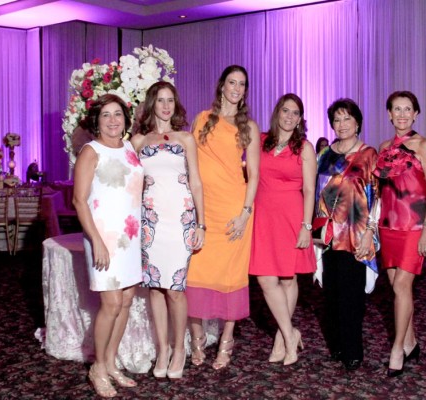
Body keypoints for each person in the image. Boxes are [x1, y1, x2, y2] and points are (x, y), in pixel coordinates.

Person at [186, 65, 260, 370]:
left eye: (242, 84)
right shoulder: (202, 119)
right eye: (232, 82)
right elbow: (189, 166)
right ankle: (197, 337)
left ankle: (227, 341)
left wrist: (245, 213)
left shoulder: (249, 127)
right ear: (222, 86)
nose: (236, 88)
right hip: (204, 210)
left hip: (233, 210)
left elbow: (253, 175)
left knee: (231, 277)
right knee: (195, 273)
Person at [131, 82, 205, 380]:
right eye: (160, 100)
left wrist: (201, 224)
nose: (165, 106)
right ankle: (162, 349)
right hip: (150, 221)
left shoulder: (186, 138)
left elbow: (196, 183)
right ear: (152, 104)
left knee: (174, 290)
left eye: (170, 100)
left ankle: (179, 348)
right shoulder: (138, 141)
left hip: (181, 220)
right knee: (155, 289)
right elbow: (133, 185)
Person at [73, 94, 143, 398]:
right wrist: (97, 241)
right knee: (111, 304)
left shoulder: (130, 147)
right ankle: (98, 367)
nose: (113, 121)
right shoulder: (91, 151)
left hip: (130, 235)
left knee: (126, 301)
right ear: (96, 121)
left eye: (118, 114)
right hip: (103, 237)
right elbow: (78, 200)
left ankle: (112, 362)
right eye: (106, 116)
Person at [373, 91, 426, 377]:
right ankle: (411, 341)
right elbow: (379, 190)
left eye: (407, 109)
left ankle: (397, 347)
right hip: (388, 226)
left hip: (414, 227)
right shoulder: (384, 147)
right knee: (398, 289)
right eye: (396, 109)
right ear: (389, 114)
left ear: (416, 114)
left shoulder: (424, 145)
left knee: (401, 286)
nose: (401, 114)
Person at [249, 94, 317, 366]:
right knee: (266, 280)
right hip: (263, 217)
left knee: (288, 279)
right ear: (277, 112)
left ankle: (281, 338)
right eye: (285, 111)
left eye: (295, 113)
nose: (289, 117)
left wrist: (306, 226)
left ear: (300, 119)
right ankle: (291, 335)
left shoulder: (305, 148)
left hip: (292, 218)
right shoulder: (261, 141)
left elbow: (310, 190)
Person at [315, 98, 378, 372]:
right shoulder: (325, 155)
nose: (341, 124)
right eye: (336, 120)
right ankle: (337, 345)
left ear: (357, 122)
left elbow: (378, 197)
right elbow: (316, 193)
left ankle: (353, 350)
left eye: (346, 119)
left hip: (355, 235)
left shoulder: (368, 154)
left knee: (353, 297)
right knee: (330, 296)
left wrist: (370, 233)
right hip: (328, 236)